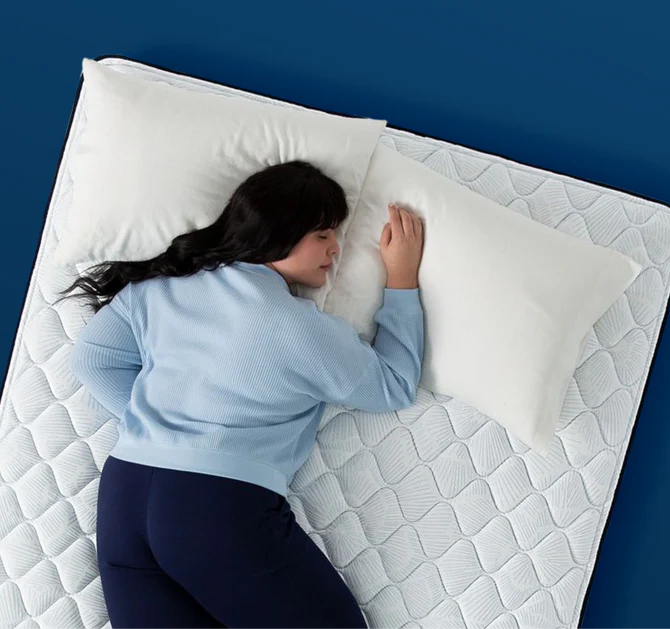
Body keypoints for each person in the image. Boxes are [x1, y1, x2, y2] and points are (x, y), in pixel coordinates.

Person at [64, 160, 425, 628]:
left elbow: (93, 361)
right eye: (322, 234)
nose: (336, 248)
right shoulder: (298, 326)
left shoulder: (160, 287)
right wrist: (402, 280)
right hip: (211, 509)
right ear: (280, 230)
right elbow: (393, 385)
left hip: (124, 498)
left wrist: (154, 428)